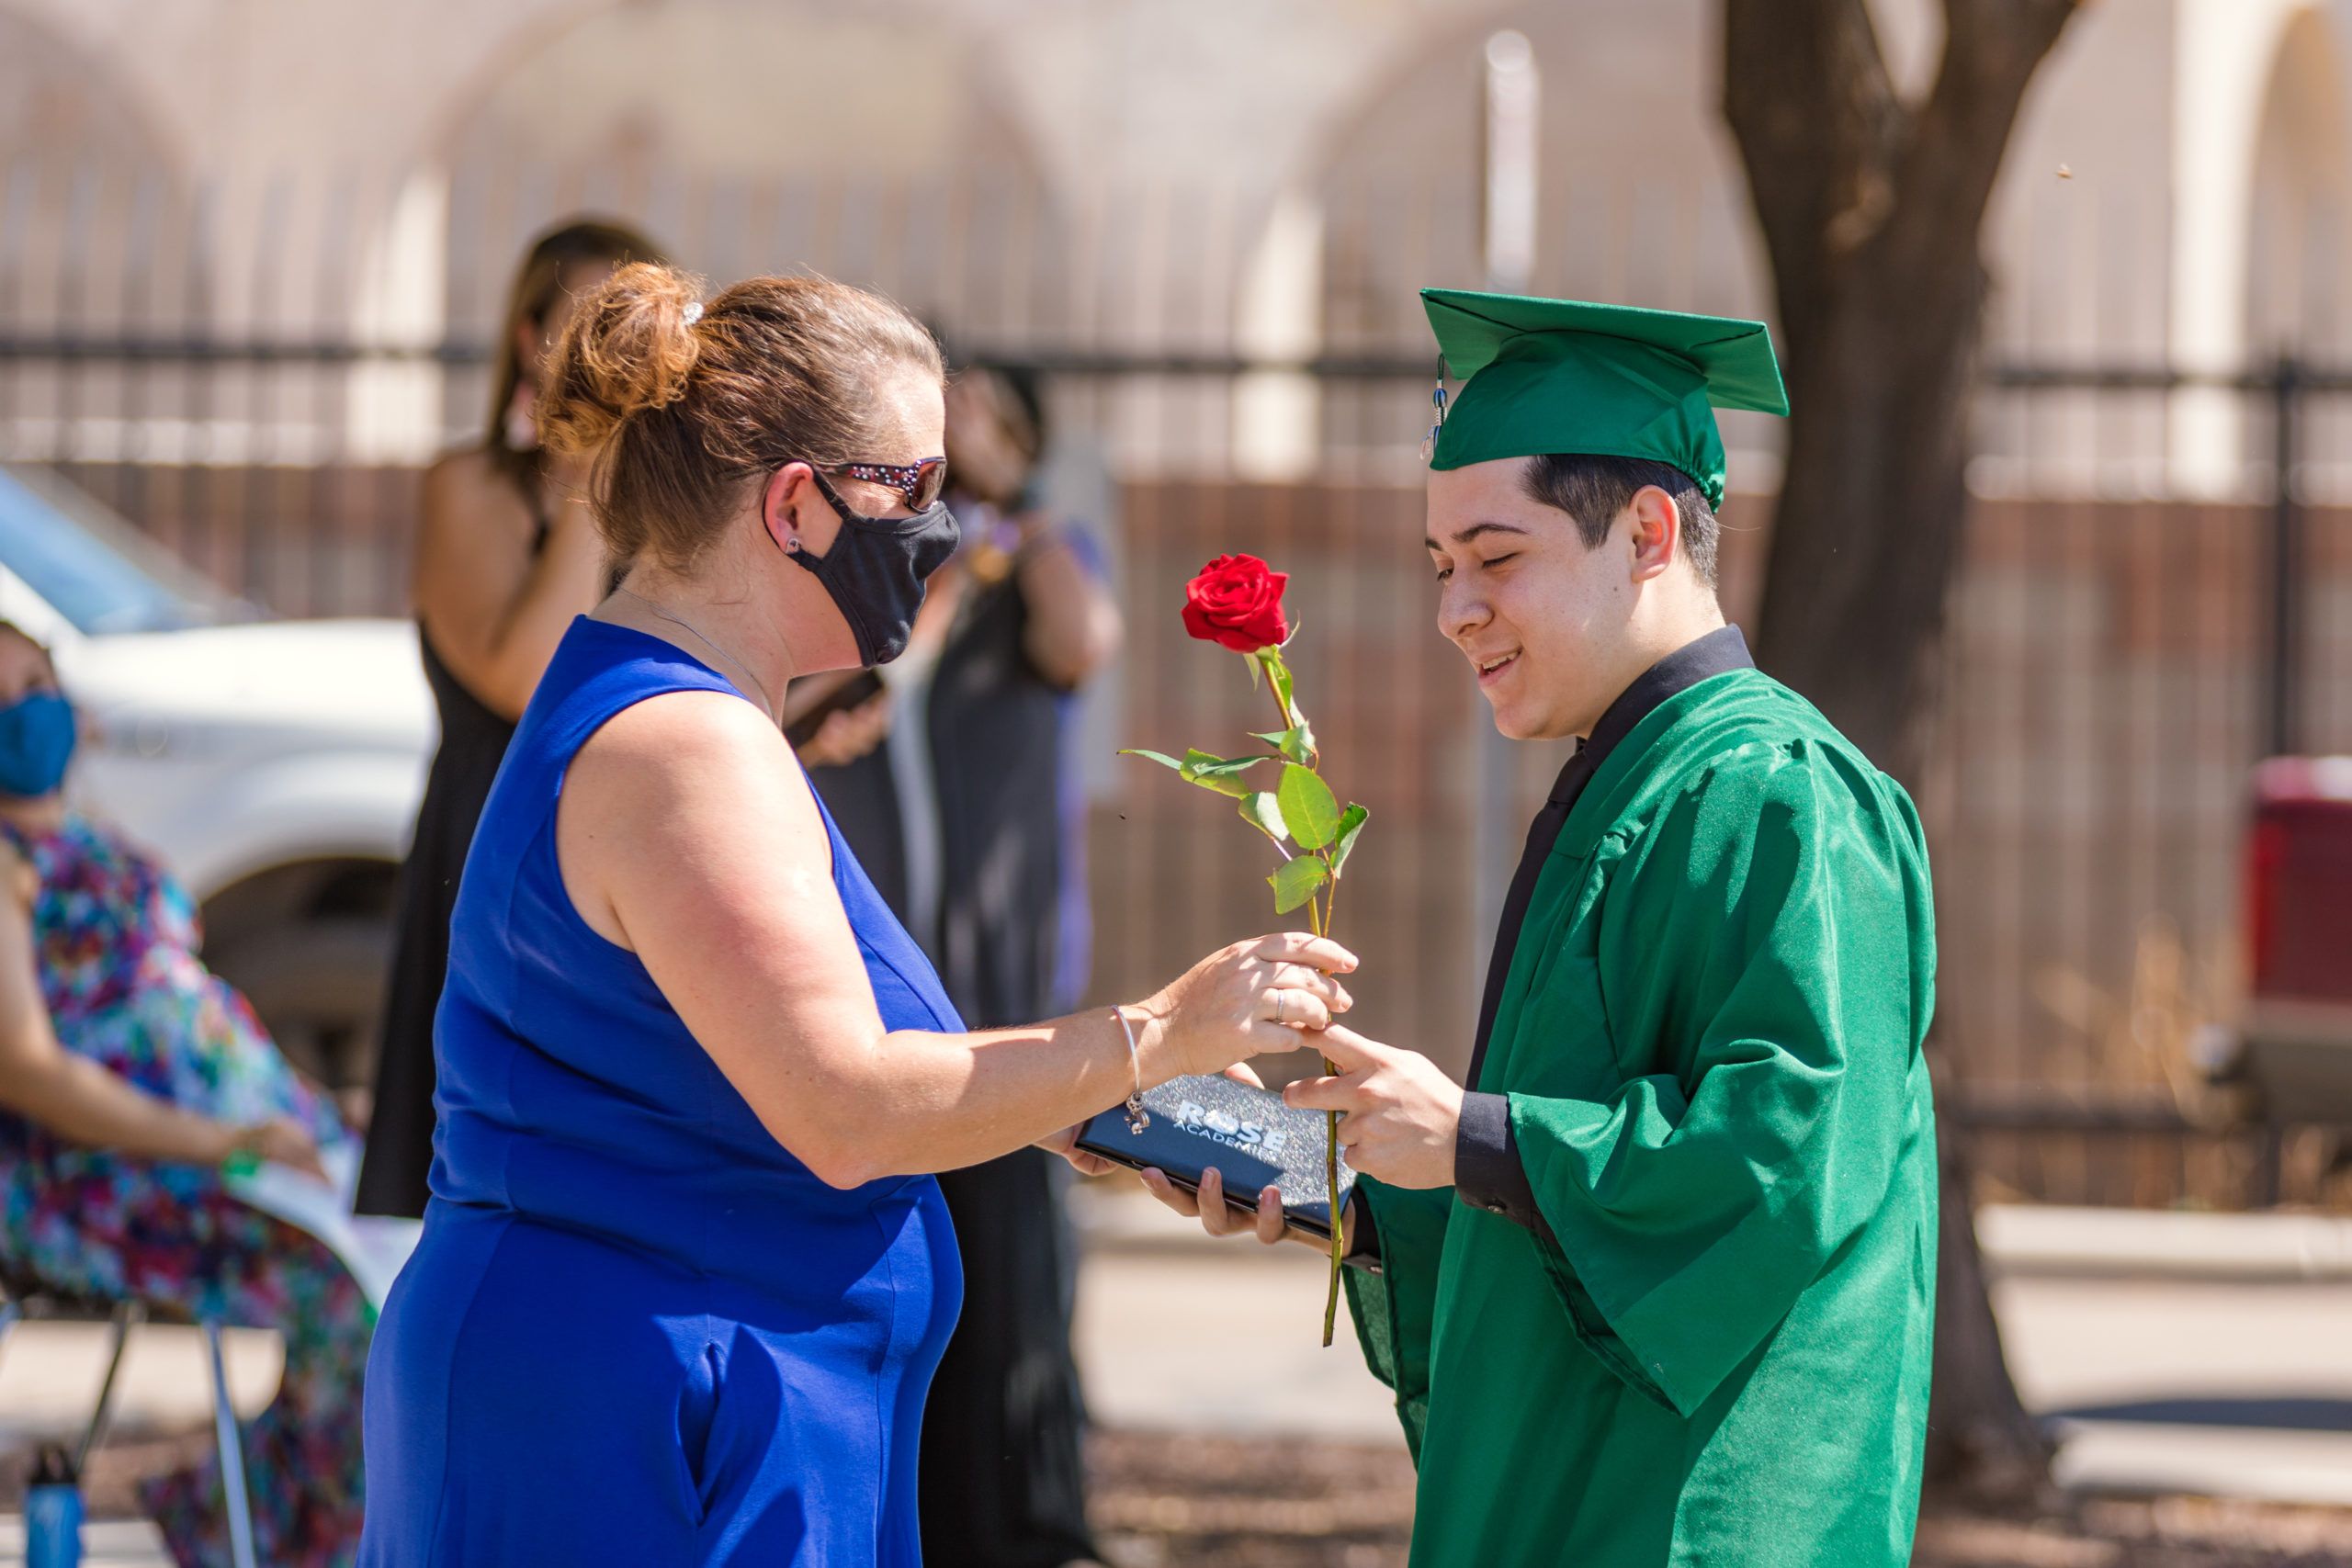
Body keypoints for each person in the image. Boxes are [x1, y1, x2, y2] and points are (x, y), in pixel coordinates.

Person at [356, 264, 1356, 1567]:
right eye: (918, 487)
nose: (948, 526)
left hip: (677, 1399)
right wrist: (1155, 1028)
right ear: (794, 505)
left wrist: (1146, 1115)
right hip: (623, 1432)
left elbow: (795, 1066)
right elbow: (845, 1105)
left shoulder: (696, 714)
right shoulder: (683, 747)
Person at [1146, 290, 1939, 1566]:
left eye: (1497, 556)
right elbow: (1548, 1197)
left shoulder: (1779, 789)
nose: (1455, 609)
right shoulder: (1638, 775)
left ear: (1646, 530)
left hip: (1699, 1516)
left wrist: (1468, 1131)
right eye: (1440, 565)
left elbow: (1782, 1163)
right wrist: (1322, 1175)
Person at [804, 361, 1122, 1568]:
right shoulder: (878, 584)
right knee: (898, 1282)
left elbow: (1084, 636)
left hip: (1004, 1004)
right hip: (881, 1009)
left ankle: (1032, 1524)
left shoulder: (1034, 562)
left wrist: (1019, 498)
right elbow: (800, 694)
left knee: (1017, 1286)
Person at [0, 623, 371, 1568]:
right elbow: (28, 1067)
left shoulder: (94, 842)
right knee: (348, 1298)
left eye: (37, 682)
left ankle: (251, 1511)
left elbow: (192, 1018)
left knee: (403, 1250)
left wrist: (312, 1113)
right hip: (104, 1178)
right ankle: (276, 1530)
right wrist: (220, 1144)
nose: (26, 710)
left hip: (230, 1153)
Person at [356, 217, 668, 1220]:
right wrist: (584, 476)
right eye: (586, 322)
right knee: (467, 1163)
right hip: (489, 840)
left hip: (629, 858)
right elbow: (526, 673)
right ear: (530, 335)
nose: (605, 354)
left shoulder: (670, 509)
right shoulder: (472, 487)